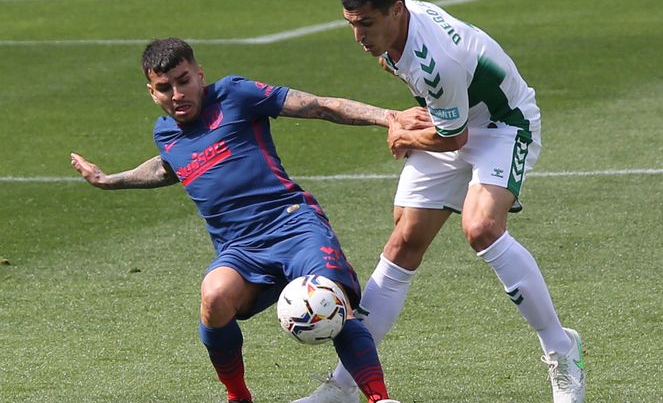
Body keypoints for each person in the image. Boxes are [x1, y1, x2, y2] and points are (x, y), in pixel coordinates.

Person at [70, 37, 413, 403]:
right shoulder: (165, 133)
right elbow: (170, 167)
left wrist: (388, 117)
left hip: (292, 224)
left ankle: (379, 398)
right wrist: (110, 180)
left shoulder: (235, 94)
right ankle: (238, 397)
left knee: (330, 299)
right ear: (152, 92)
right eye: (164, 88)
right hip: (240, 249)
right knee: (214, 298)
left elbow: (316, 106)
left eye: (184, 80)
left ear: (199, 74)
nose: (177, 94)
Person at [295, 0, 586, 403]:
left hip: (503, 125)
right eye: (351, 23)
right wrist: (412, 114)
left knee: (482, 227)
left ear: (396, 9)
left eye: (366, 23)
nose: (358, 35)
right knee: (403, 241)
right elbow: (437, 107)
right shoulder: (395, 33)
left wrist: (401, 133)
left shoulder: (436, 56)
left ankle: (562, 349)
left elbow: (454, 138)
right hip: (452, 119)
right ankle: (344, 384)